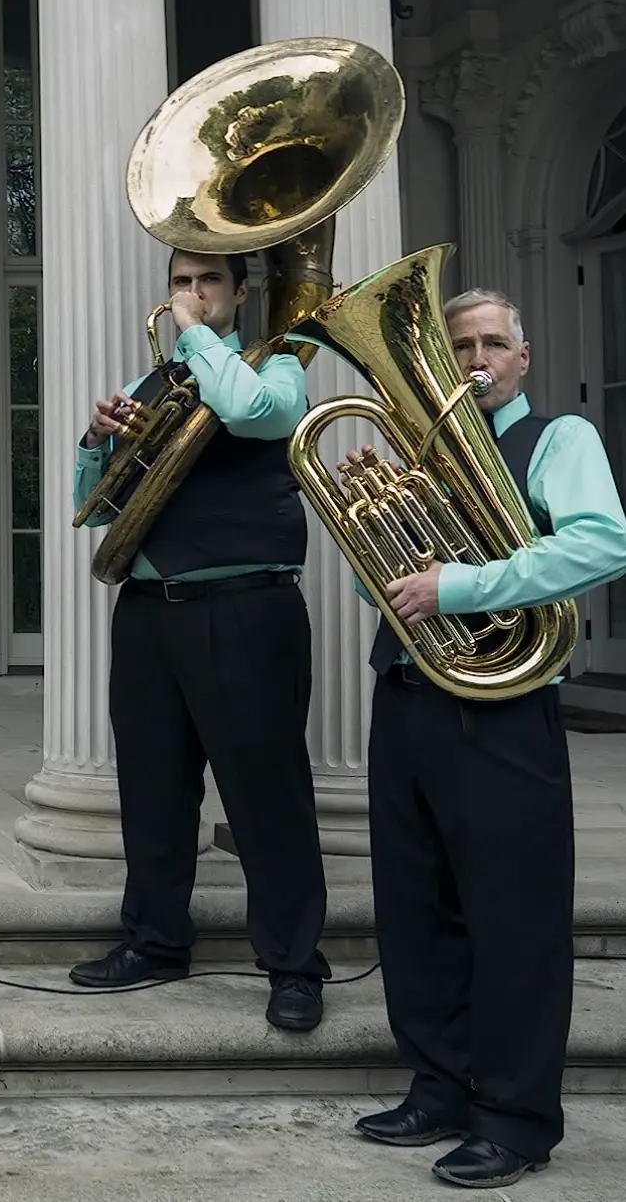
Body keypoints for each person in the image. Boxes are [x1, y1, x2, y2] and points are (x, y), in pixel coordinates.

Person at [349, 288, 626, 1189]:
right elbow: (385, 588)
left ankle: (514, 1119)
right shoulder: (419, 452)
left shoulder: (560, 439)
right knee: (415, 910)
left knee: (514, 920)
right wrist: (378, 532)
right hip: (410, 696)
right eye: (459, 344)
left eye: (491, 344)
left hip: (502, 707)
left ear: (523, 356)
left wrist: (457, 587)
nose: (475, 359)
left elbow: (601, 544)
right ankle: (439, 1088)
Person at [68, 249, 329, 1032]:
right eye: (180, 283)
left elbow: (254, 414)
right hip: (151, 609)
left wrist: (198, 339)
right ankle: (154, 940)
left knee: (266, 798)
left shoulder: (278, 366)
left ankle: (293, 964)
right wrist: (97, 439)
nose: (189, 296)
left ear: (241, 292)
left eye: (208, 281)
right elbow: (97, 507)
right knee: (152, 790)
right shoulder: (156, 384)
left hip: (245, 608)